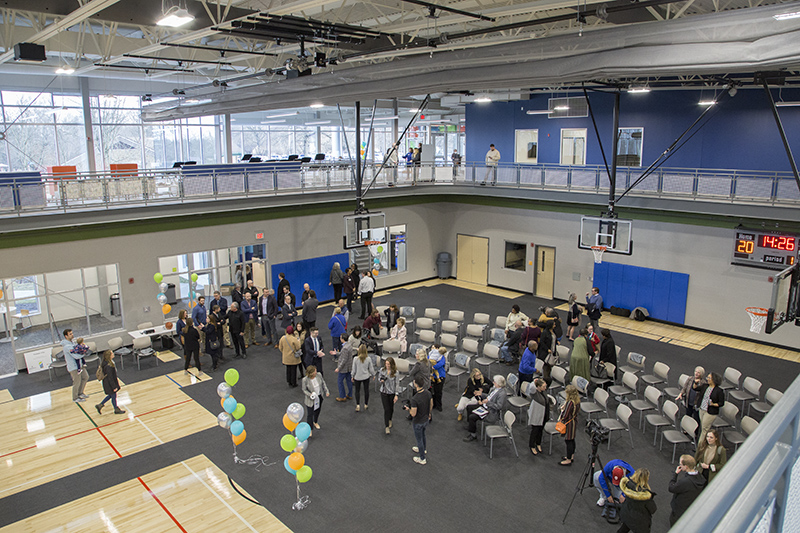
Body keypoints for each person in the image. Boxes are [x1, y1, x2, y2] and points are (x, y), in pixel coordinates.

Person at [464, 375, 507, 442]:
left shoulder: (502, 394)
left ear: (499, 384)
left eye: (494, 382)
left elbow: (499, 406)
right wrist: (481, 394)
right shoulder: (494, 388)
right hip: (485, 406)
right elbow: (489, 397)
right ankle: (470, 425)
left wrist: (488, 403)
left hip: (491, 412)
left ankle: (473, 435)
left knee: (472, 417)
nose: (493, 382)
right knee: (469, 407)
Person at [669, 455, 706, 526]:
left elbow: (671, 488)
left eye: (680, 464)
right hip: (690, 509)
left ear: (686, 467)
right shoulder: (700, 477)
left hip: (679, 510)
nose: (679, 465)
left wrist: (675, 475)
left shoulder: (685, 482)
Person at [618, 468, 658, 533]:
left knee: (624, 528)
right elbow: (653, 509)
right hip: (639, 521)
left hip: (626, 513)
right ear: (646, 479)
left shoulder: (628, 485)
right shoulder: (645, 497)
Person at [405, 374, 433, 465]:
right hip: (425, 419)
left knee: (419, 439)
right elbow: (431, 404)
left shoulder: (415, 399)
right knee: (423, 435)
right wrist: (429, 413)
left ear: (416, 384)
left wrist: (408, 409)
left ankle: (422, 458)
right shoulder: (428, 393)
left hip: (418, 422)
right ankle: (423, 449)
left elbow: (413, 414)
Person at [61, 329, 88, 402]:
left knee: (85, 377)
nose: (72, 335)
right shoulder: (67, 346)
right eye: (70, 334)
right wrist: (83, 353)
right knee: (77, 382)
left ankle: (80, 393)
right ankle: (75, 398)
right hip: (74, 367)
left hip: (79, 365)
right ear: (66, 336)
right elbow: (76, 356)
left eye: (72, 333)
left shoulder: (72, 343)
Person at [301, 365, 329, 436]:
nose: (316, 372)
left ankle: (315, 422)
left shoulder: (319, 375)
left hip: (319, 397)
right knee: (310, 414)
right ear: (311, 373)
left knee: (317, 410)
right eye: (315, 371)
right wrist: (310, 394)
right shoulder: (305, 380)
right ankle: (310, 429)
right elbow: (304, 389)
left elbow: (323, 383)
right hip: (310, 399)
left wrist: (326, 391)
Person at [94, 350, 125, 415]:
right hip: (109, 383)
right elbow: (110, 377)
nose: (113, 354)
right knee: (113, 396)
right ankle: (116, 409)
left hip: (107, 382)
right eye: (112, 353)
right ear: (109, 356)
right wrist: (114, 386)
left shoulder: (106, 363)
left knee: (111, 395)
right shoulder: (108, 366)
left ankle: (100, 405)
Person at [696, 372, 725, 438]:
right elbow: (695, 388)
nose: (707, 379)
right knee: (703, 427)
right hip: (702, 409)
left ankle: (700, 447)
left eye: (709, 378)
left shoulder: (719, 391)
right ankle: (704, 445)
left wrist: (713, 404)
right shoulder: (705, 386)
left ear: (714, 380)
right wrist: (695, 383)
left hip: (710, 412)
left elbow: (721, 403)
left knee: (704, 429)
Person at [559, 384, 580, 465]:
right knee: (572, 439)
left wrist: (561, 417)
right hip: (574, 421)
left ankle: (568, 459)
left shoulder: (570, 403)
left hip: (569, 424)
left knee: (568, 440)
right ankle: (571, 456)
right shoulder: (577, 401)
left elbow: (565, 415)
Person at [527, 378, 549, 456]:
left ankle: (538, 443)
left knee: (540, 430)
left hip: (544, 414)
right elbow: (531, 387)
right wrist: (534, 381)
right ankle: (532, 445)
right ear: (538, 387)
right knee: (535, 430)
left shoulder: (543, 392)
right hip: (537, 415)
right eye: (543, 386)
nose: (545, 388)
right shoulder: (534, 393)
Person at [351, 345, 376, 412]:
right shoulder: (368, 359)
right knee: (366, 390)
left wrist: (352, 376)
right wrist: (374, 375)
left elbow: (354, 369)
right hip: (366, 377)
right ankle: (366, 404)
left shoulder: (355, 359)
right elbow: (371, 369)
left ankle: (358, 405)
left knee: (357, 391)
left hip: (357, 377)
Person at [379, 357, 400, 434]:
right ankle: (387, 426)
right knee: (386, 409)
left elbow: (397, 383)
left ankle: (390, 419)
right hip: (384, 392)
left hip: (392, 392)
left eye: (388, 364)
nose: (387, 365)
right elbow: (379, 378)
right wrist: (381, 380)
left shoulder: (396, 372)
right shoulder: (382, 370)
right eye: (386, 364)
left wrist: (396, 394)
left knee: (391, 408)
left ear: (392, 364)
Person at [334, 333, 355, 401]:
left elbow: (344, 360)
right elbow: (344, 355)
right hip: (349, 367)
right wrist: (336, 353)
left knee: (340, 381)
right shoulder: (349, 345)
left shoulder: (345, 348)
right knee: (349, 381)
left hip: (344, 368)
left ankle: (342, 396)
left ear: (342, 339)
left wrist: (338, 368)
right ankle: (350, 394)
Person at [429, 345, 447, 411]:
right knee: (432, 391)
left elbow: (441, 363)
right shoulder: (431, 355)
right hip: (432, 376)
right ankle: (433, 404)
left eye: (433, 348)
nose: (432, 349)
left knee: (438, 392)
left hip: (440, 376)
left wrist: (434, 367)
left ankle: (439, 405)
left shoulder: (442, 357)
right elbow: (428, 360)